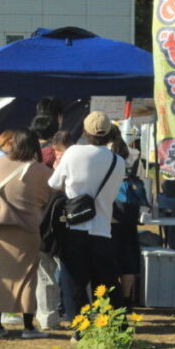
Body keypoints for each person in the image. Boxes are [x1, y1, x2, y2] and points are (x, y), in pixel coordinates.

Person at [48, 111, 126, 316]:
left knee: (74, 283)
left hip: (75, 227)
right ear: (109, 133)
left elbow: (53, 183)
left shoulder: (73, 153)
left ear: (85, 131)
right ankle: (112, 327)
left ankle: (81, 330)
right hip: (103, 229)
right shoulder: (118, 161)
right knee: (107, 284)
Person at [0, 129, 54, 339]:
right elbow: (50, 196)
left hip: (1, 228)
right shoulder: (42, 171)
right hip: (28, 229)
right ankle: (28, 326)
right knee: (27, 278)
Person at [108, 125, 143, 306]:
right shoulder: (135, 155)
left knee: (110, 258)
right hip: (129, 213)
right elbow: (142, 181)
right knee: (127, 257)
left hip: (109, 213)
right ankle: (127, 297)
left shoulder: (104, 155)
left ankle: (112, 297)